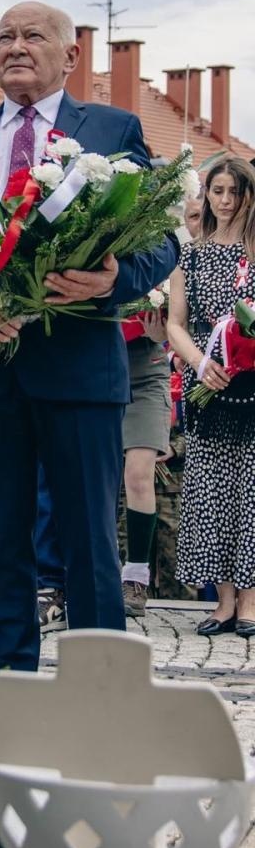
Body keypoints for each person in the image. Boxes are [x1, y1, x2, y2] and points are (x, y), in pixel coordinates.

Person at [0, 0, 179, 670]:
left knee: (89, 544)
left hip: (80, 376)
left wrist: (111, 279)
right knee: (0, 544)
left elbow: (162, 241)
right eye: (6, 37)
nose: (16, 46)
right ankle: (9, 687)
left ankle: (99, 692)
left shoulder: (112, 129)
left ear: (70, 55)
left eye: (33, 36)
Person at [167, 157, 255, 638]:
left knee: (250, 492)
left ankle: (250, 601)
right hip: (208, 384)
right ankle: (223, 602)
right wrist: (200, 362)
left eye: (233, 192)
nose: (224, 201)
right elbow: (176, 323)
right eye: (216, 191)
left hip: (252, 382)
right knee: (210, 492)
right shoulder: (192, 255)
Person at [119, 307, 172, 616]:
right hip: (93, 366)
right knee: (96, 479)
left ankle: (136, 579)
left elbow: (183, 320)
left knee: (138, 475)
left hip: (145, 369)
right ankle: (95, 572)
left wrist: (165, 329)